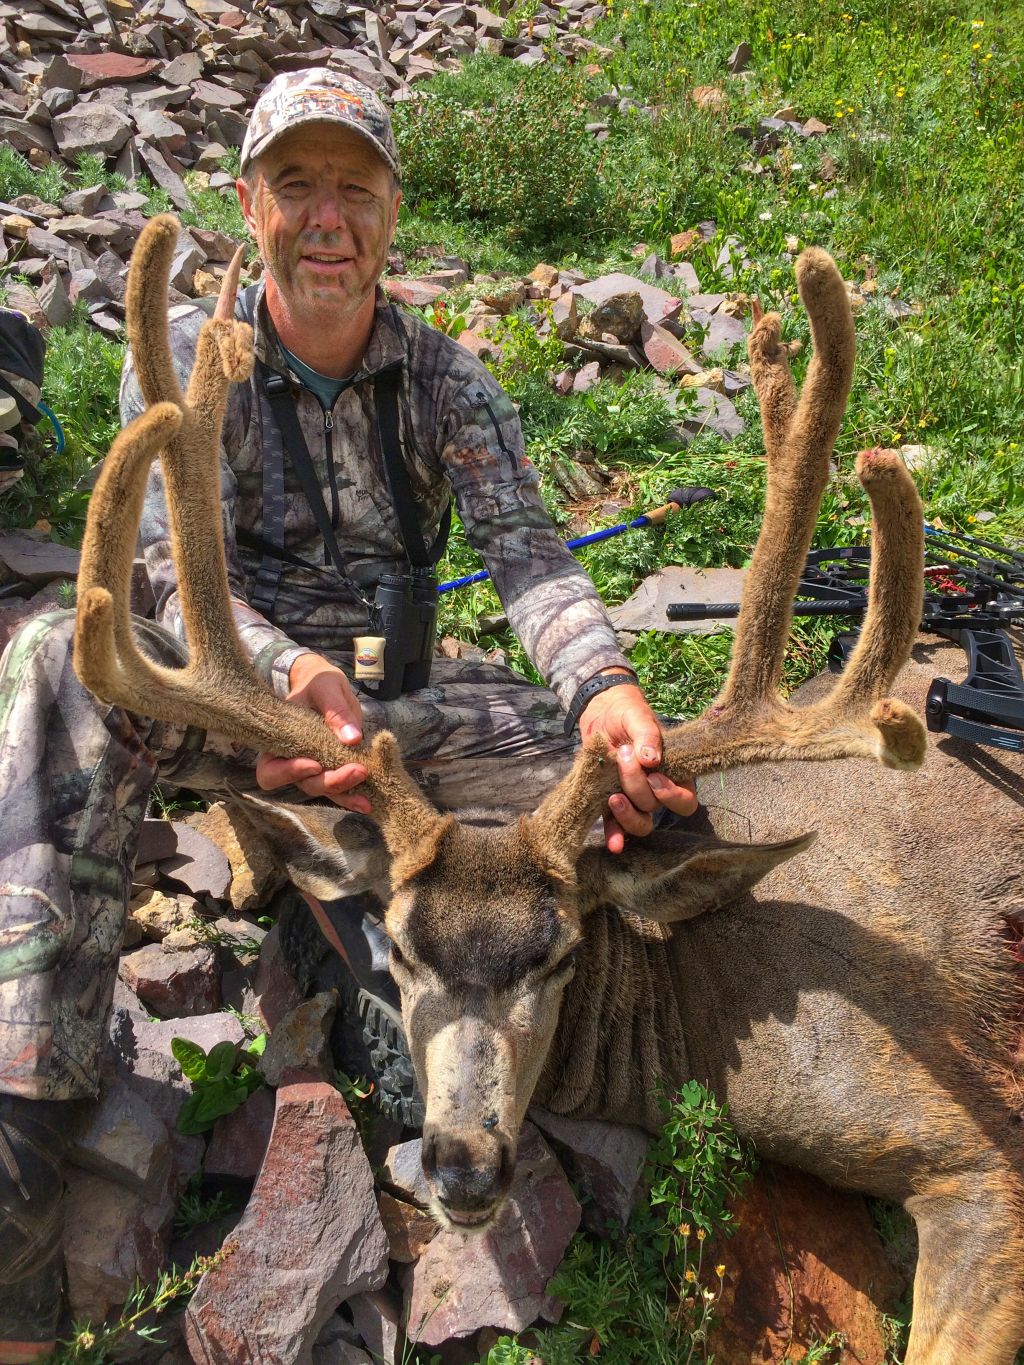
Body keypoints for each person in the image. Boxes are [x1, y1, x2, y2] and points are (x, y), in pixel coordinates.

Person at [0, 68, 696, 1359]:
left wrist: (604, 690)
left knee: (627, 802)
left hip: (400, 723)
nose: (329, 220)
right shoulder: (189, 364)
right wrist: (279, 677)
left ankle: (519, 1038)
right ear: (250, 203)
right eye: (299, 189)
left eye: (356, 191)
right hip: (238, 703)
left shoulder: (446, 383)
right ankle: (22, 1153)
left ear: (390, 214)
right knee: (57, 663)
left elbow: (530, 560)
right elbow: (154, 567)